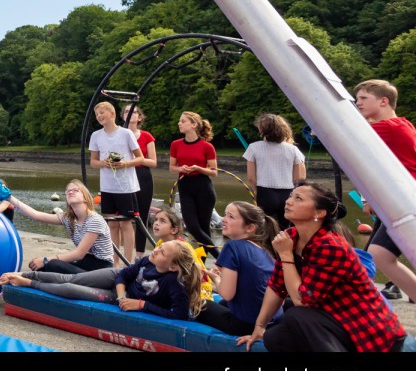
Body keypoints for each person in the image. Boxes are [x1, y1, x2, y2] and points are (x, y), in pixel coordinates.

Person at [238, 182, 408, 352]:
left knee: (296, 314)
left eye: (298, 198)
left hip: (368, 330)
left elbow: (302, 300)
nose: (288, 201)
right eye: (291, 196)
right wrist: (259, 327)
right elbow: (277, 286)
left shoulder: (330, 246)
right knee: (275, 337)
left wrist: (286, 255)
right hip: (335, 317)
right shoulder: (291, 237)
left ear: (319, 213)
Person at [0, 239, 205, 322]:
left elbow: (179, 314)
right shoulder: (147, 260)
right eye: (160, 247)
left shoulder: (173, 283)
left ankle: (30, 283)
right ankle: (26, 275)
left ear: (173, 267)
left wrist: (142, 305)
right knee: (73, 278)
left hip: (123, 297)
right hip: (118, 283)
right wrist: (122, 295)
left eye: (163, 252)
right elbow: (123, 274)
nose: (156, 250)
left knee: (70, 288)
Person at [353, 79, 416, 304]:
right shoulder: (403, 124)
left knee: (378, 255)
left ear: (383, 101)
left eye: (363, 98)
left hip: (404, 199)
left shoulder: (386, 128)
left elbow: (348, 134)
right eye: (357, 99)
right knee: (372, 254)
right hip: (397, 198)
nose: (358, 103)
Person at [197, 201, 280, 336]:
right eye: (225, 215)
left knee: (197, 304)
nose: (223, 219)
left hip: (246, 325)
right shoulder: (264, 249)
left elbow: (227, 294)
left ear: (250, 227)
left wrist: (216, 279)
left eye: (231, 217)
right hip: (273, 321)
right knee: (223, 304)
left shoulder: (232, 247)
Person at [10, 180, 114, 273]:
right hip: (85, 262)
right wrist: (9, 197)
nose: (71, 192)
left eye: (76, 190)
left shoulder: (95, 220)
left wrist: (45, 260)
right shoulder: (68, 218)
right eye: (68, 191)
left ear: (85, 197)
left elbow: (79, 254)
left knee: (52, 264)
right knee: (42, 267)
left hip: (101, 268)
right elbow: (36, 215)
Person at [88, 101, 144, 263]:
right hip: (107, 186)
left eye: (102, 113)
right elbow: (93, 162)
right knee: (112, 224)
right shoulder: (96, 135)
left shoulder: (126, 134)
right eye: (97, 114)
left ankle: (128, 262)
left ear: (112, 114)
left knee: (126, 223)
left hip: (125, 186)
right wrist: (103, 163)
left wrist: (125, 163)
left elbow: (140, 158)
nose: (99, 116)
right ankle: (115, 262)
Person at [243, 113, 306, 230]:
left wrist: (256, 192)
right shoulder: (293, 149)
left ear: (261, 129)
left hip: (264, 193)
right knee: (287, 228)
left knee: (266, 229)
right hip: (287, 193)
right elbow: (300, 177)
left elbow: (251, 178)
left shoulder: (253, 147)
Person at [169, 110, 218, 256]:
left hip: (204, 188)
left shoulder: (207, 146)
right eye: (180, 121)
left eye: (183, 121)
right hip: (185, 186)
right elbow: (172, 168)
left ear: (194, 124)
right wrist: (180, 168)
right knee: (192, 227)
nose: (179, 123)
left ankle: (202, 264)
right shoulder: (176, 144)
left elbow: (214, 172)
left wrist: (198, 168)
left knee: (204, 228)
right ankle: (220, 258)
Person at [122, 105, 158, 254]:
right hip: (124, 176)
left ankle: (139, 254)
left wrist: (136, 160)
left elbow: (153, 162)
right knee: (122, 218)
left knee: (142, 217)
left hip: (142, 176)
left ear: (140, 117)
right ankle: (123, 254)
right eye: (127, 111)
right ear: (123, 116)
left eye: (134, 111)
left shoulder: (146, 136)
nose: (130, 113)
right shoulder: (119, 135)